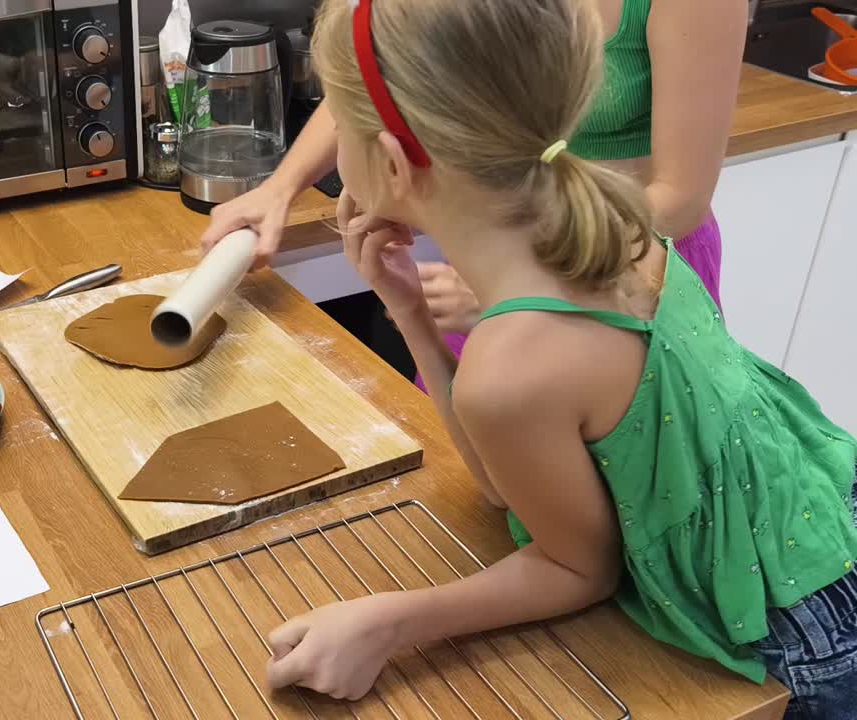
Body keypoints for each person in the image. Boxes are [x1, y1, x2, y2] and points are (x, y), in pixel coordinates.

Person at [260, 0, 857, 717]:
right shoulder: (613, 224)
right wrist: (411, 315)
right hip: (815, 519)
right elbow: (505, 486)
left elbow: (580, 568)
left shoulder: (515, 365)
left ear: (388, 163)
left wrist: (388, 622)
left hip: (802, 625)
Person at [200, 0, 745, 361]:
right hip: (501, 257)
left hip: (632, 266)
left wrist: (527, 281)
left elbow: (679, 198)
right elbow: (374, 72)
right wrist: (279, 189)